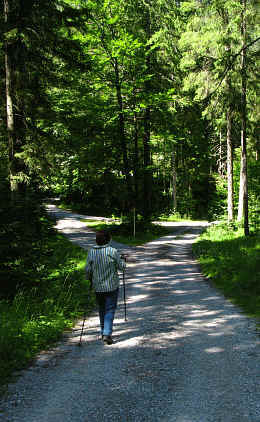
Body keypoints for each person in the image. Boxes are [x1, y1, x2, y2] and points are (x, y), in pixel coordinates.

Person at [85, 230, 126, 345]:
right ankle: (106, 334)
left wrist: (89, 279)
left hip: (97, 287)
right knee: (110, 309)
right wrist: (123, 260)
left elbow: (87, 270)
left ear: (97, 241)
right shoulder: (113, 251)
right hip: (112, 286)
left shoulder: (91, 252)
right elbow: (122, 267)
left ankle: (104, 332)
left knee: (102, 309)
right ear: (109, 239)